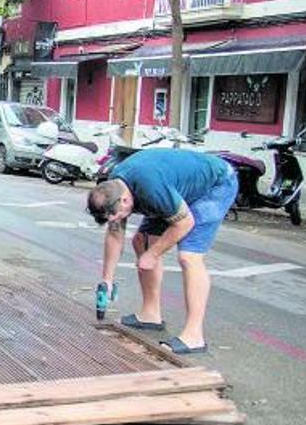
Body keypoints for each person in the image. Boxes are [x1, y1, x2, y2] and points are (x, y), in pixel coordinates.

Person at [87, 149, 238, 354]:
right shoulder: (114, 186)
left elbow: (184, 222)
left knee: (189, 257)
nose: (116, 220)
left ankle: (194, 336)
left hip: (214, 185)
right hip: (173, 190)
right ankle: (150, 314)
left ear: (124, 201)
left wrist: (154, 254)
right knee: (141, 241)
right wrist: (107, 279)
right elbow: (115, 234)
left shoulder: (151, 189)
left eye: (116, 216)